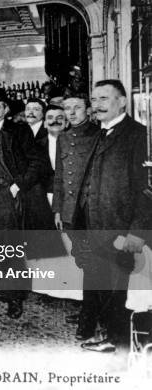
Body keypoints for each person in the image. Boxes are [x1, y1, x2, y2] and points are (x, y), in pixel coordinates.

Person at [75, 80, 151, 353]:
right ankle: (108, 333)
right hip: (96, 224)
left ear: (122, 101)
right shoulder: (98, 134)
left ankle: (116, 339)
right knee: (102, 282)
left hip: (120, 227)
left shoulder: (138, 135)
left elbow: (147, 189)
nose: (97, 105)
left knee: (118, 285)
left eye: (104, 98)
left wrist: (138, 232)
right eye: (94, 99)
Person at [0, 87, 44, 318]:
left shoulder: (20, 131)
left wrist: (18, 185)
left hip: (8, 196)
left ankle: (15, 298)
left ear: (6, 109)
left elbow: (36, 163)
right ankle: (1, 289)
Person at [52, 93, 100, 341]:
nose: (71, 113)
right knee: (83, 260)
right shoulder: (63, 137)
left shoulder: (99, 135)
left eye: (77, 108)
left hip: (89, 212)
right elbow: (60, 176)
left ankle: (89, 320)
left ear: (88, 110)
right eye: (67, 108)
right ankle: (90, 309)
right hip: (70, 211)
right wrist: (58, 209)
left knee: (94, 264)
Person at [22, 98, 64, 259]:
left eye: (36, 109)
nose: (31, 112)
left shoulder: (50, 136)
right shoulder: (24, 133)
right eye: (28, 108)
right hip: (38, 194)